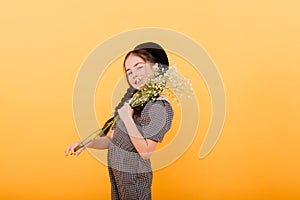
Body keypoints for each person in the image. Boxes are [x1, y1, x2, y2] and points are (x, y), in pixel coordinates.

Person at [65, 42, 174, 200]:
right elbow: (112, 139)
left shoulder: (158, 106)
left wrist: (127, 119)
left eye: (139, 66)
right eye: (129, 72)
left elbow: (146, 151)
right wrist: (85, 143)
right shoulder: (133, 102)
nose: (134, 74)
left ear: (156, 68)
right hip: (119, 175)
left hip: (134, 177)